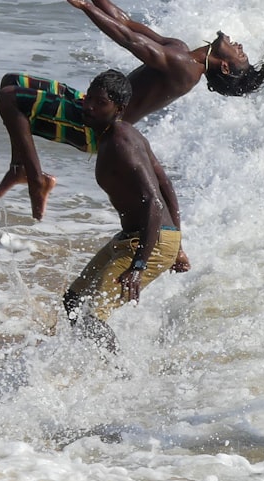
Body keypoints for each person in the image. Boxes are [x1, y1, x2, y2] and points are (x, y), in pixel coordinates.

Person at [0, 0, 264, 220]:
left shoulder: (185, 67)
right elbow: (126, 21)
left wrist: (83, 5)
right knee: (11, 82)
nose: (240, 47)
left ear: (225, 67)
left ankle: (37, 180)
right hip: (89, 104)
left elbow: (127, 39)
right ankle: (20, 168)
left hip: (93, 126)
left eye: (241, 55)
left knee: (10, 98)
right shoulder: (182, 52)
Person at [62, 69, 187, 352]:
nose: (89, 106)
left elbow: (154, 200)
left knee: (94, 314)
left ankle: (118, 378)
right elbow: (165, 183)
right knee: (74, 299)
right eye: (88, 98)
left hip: (148, 244)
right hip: (133, 238)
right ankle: (84, 359)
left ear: (118, 108)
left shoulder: (121, 141)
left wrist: (139, 266)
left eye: (100, 102)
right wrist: (178, 242)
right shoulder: (117, 133)